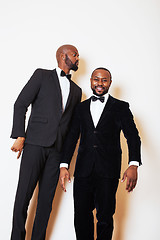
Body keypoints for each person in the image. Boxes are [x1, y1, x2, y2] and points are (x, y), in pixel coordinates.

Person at [59, 67, 141, 240]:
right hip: (83, 171)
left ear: (110, 82)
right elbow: (71, 138)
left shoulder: (120, 107)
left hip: (108, 171)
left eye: (104, 80)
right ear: (91, 81)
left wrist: (133, 164)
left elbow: (132, 136)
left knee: (104, 217)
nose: (100, 83)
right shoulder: (80, 108)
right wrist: (64, 165)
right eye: (96, 79)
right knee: (81, 216)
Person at [10, 44, 82, 240]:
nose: (78, 58)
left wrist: (65, 162)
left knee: (45, 203)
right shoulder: (41, 75)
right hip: (34, 144)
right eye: (75, 54)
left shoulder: (77, 91)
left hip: (57, 151)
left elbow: (72, 128)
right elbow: (21, 104)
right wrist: (20, 135)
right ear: (62, 56)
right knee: (23, 196)